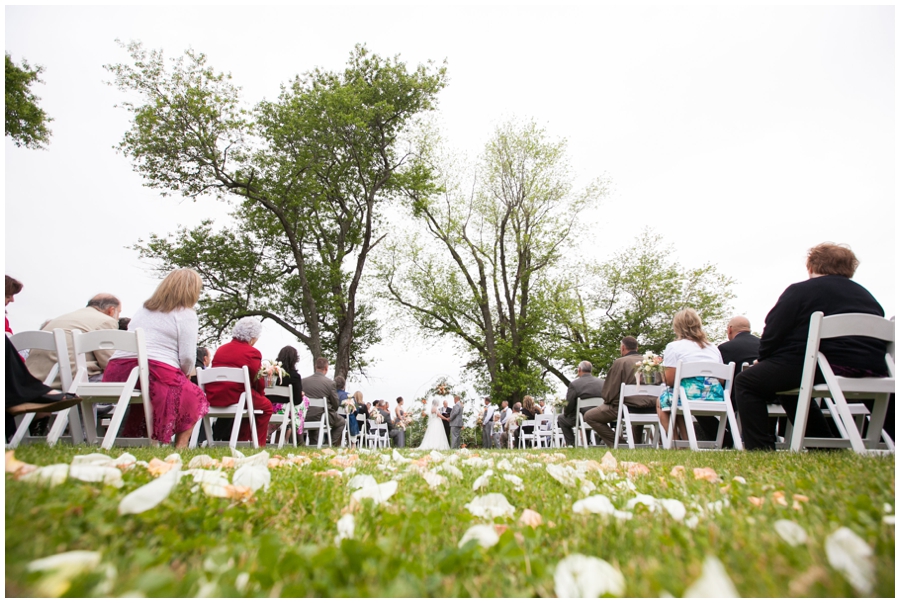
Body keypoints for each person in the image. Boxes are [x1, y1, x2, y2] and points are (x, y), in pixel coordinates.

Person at [734, 243, 891, 450]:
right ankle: (823, 445)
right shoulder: (867, 296)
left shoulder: (800, 291)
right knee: (784, 385)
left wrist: (763, 358)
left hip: (817, 363)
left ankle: (760, 449)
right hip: (872, 366)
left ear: (811, 266)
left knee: (747, 381)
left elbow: (773, 331)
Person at [104, 269, 208, 449]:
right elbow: (187, 356)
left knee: (151, 397)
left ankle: (136, 439)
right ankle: (181, 446)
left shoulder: (144, 309)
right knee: (196, 396)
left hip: (119, 371)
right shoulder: (186, 314)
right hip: (155, 370)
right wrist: (185, 374)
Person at [26, 293, 122, 389]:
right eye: (119, 312)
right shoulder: (105, 321)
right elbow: (109, 363)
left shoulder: (61, 318)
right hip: (68, 380)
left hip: (34, 380)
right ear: (111, 310)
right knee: (128, 380)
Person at [657, 309, 725, 442]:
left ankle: (676, 442)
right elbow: (721, 380)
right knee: (676, 398)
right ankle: (687, 441)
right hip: (715, 396)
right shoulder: (713, 348)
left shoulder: (674, 347)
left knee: (662, 401)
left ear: (677, 327)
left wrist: (662, 374)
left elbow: (670, 381)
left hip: (687, 396)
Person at [204, 317, 273, 447]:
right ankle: (259, 444)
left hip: (214, 396)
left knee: (252, 404)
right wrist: (261, 393)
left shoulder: (221, 349)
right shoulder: (252, 352)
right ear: (252, 337)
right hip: (237, 396)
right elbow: (257, 381)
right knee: (266, 407)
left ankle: (241, 441)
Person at [583, 337, 658, 447]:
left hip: (625, 407)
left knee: (589, 416)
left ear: (622, 348)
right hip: (652, 407)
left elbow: (609, 392)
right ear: (637, 348)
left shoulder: (620, 362)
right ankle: (636, 444)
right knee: (638, 406)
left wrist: (608, 401)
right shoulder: (652, 363)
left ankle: (621, 444)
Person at [558, 361, 605, 446]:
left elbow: (569, 404)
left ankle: (571, 444)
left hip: (582, 417)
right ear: (591, 370)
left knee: (562, 419)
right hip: (600, 416)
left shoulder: (574, 384)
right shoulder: (602, 383)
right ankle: (586, 442)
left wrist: (566, 413)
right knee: (586, 413)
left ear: (579, 370)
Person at [303, 357, 345, 446]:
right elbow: (336, 404)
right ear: (326, 368)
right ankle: (328, 444)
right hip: (323, 415)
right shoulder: (330, 383)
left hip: (305, 415)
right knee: (341, 422)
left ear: (315, 367)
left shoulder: (303, 382)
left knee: (313, 415)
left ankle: (314, 444)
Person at [268, 345, 305, 442]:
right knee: (305, 401)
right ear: (295, 360)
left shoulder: (270, 374)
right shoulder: (295, 377)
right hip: (285, 410)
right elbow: (297, 401)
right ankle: (298, 435)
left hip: (268, 408)